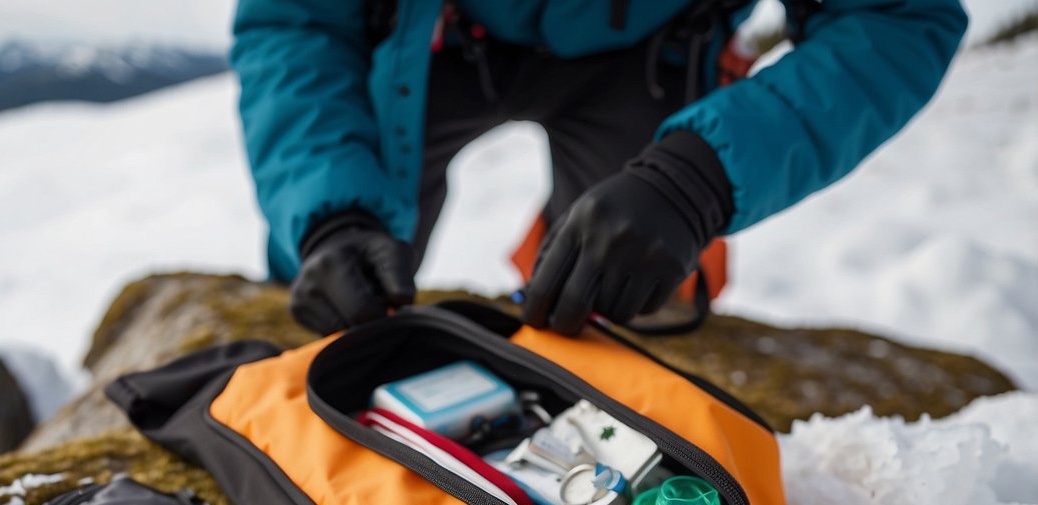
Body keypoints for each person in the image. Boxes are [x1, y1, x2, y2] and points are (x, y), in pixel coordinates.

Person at [231, 0, 967, 336]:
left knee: (617, 300)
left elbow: (897, 16)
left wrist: (696, 179)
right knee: (340, 290)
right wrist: (329, 212)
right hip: (426, 35)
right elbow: (295, 18)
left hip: (648, 46)